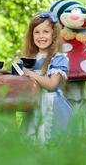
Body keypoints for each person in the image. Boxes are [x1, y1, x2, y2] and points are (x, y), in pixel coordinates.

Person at [22, 11, 73, 142]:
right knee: (33, 139)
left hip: (52, 104)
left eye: (46, 32)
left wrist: (30, 74)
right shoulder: (31, 58)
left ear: (53, 35)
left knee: (52, 139)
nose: (41, 36)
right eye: (37, 32)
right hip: (34, 103)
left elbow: (51, 84)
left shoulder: (58, 58)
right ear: (31, 35)